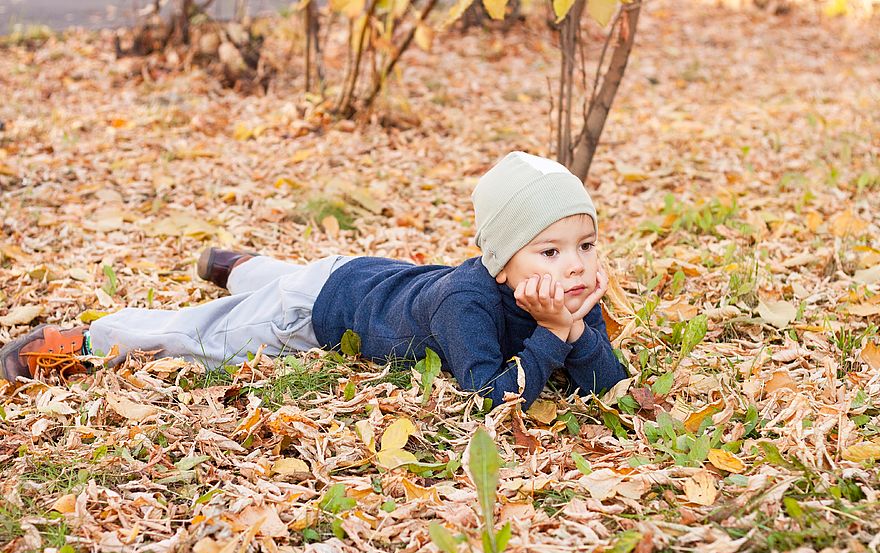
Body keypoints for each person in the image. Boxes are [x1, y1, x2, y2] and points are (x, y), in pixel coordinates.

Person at [0, 151, 628, 408]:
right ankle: (90, 338)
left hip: (362, 277)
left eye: (585, 244)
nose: (573, 264)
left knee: (286, 281)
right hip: (316, 312)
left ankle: (242, 268)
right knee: (206, 336)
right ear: (500, 261)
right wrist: (553, 335)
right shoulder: (466, 302)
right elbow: (488, 395)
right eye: (549, 250)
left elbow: (608, 385)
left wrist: (572, 326)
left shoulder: (570, 292)